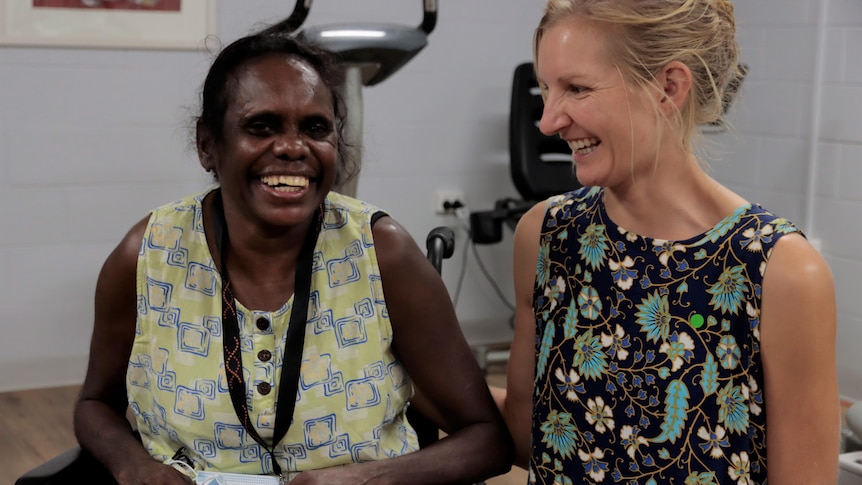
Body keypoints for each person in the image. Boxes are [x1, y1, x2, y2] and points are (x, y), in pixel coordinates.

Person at [73, 22, 513, 484]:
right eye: (260, 126)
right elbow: (94, 404)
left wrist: (367, 479)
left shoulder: (382, 254)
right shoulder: (148, 255)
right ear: (208, 144)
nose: (291, 147)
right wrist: (135, 466)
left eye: (315, 128)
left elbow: (488, 439)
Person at [493, 1, 840, 484]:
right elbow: (530, 438)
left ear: (668, 88)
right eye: (547, 90)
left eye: (577, 89)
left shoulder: (779, 272)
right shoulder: (547, 236)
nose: (549, 122)